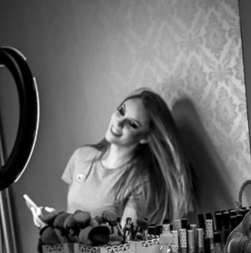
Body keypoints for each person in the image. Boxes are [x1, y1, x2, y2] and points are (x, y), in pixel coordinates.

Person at [60, 88, 192, 226]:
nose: (118, 123)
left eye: (132, 124)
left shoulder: (140, 183)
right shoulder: (81, 156)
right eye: (121, 111)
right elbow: (69, 214)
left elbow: (127, 236)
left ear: (145, 137)